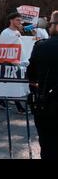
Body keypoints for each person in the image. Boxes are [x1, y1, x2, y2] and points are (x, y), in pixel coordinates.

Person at [27, 11, 58, 159]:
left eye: (51, 24)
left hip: (48, 107)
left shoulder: (41, 47)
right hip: (48, 105)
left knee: (48, 148)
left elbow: (30, 75)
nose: (49, 27)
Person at [0, 12, 26, 113]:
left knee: (10, 83)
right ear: (11, 20)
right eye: (17, 20)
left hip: (16, 61)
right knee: (14, 83)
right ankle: (20, 108)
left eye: (20, 20)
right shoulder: (6, 32)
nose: (20, 22)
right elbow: (3, 48)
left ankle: (1, 101)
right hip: (8, 62)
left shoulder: (17, 32)